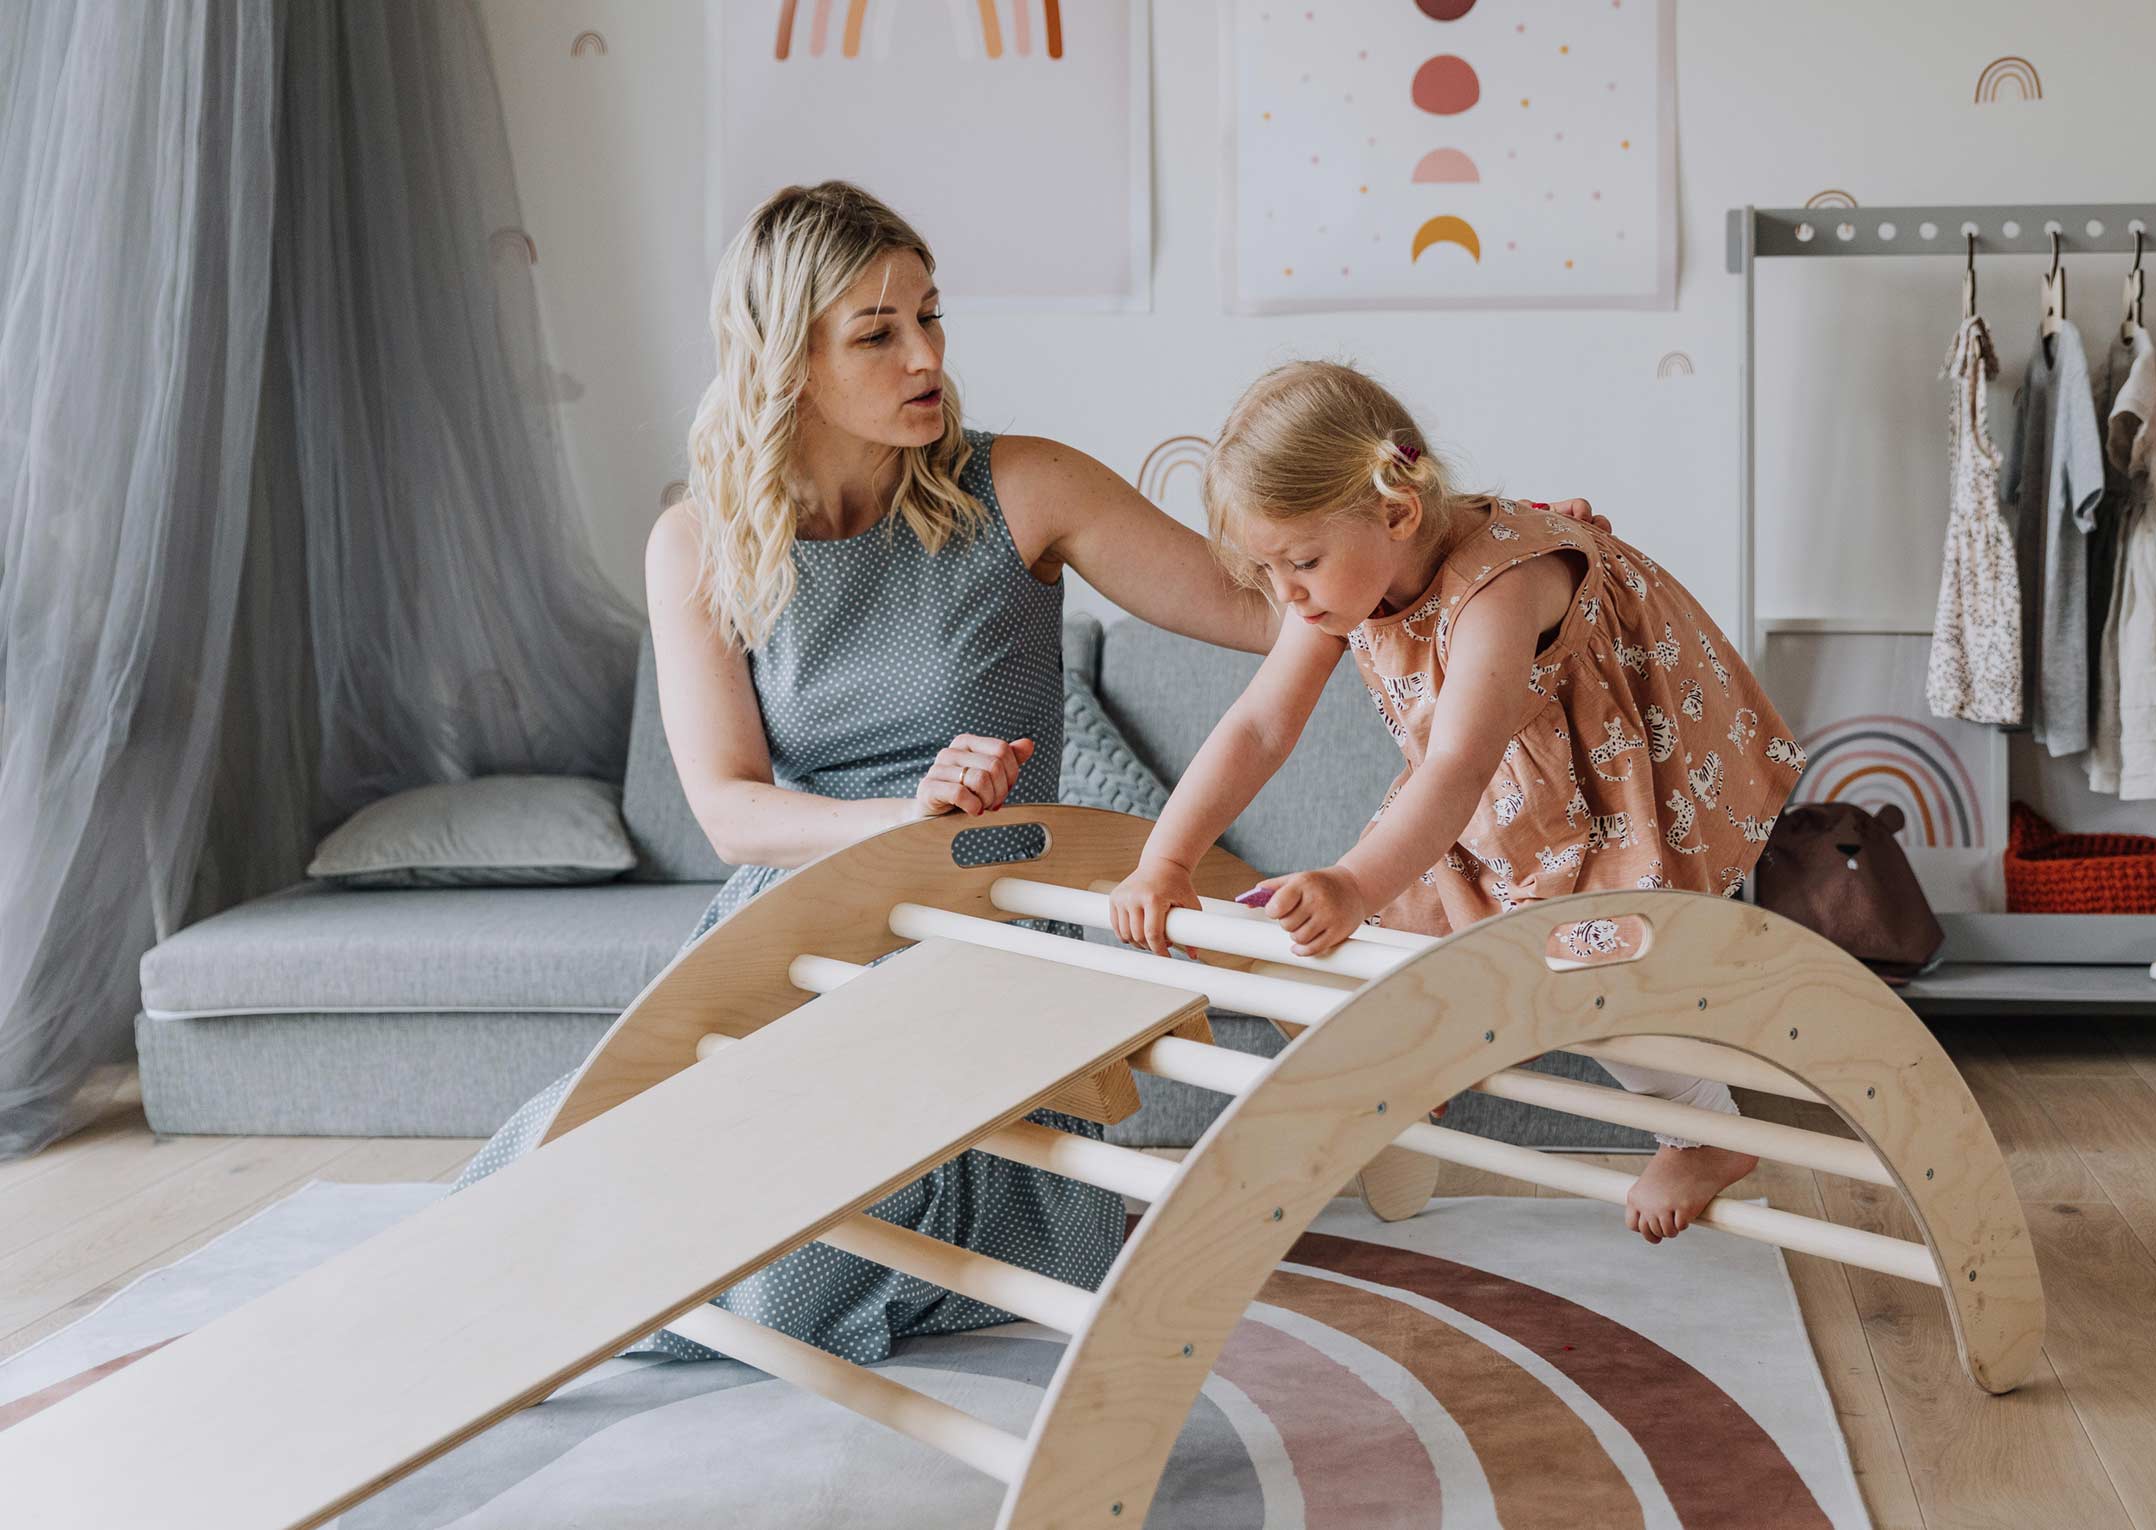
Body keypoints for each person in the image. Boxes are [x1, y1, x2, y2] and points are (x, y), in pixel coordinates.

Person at [458, 186, 1600, 1360]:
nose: (928, 357)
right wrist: (902, 816)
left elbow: (1287, 606)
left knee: (784, 1279)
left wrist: (1473, 540)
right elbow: (731, 812)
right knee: (566, 1199)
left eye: (932, 317)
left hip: (996, 924)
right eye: (878, 332)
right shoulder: (697, 543)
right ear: (783, 356)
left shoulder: (1025, 486)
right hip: (809, 920)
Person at [1112, 360, 1807, 1243]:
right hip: (1502, 792)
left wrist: (1354, 883)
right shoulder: (1340, 583)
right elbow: (1258, 725)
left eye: (1300, 563)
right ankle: (1417, 1076)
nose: (1284, 595)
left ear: (1397, 513)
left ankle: (1704, 1132)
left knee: (1599, 968)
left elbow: (1455, 769)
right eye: (1266, 568)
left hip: (1603, 782)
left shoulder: (1502, 585)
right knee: (1372, 951)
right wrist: (1164, 860)